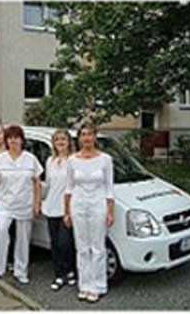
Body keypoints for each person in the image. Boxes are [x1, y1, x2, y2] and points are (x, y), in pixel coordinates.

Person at [0, 125, 43, 285]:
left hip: (25, 204)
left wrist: (37, 203)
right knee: (0, 232)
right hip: (5, 204)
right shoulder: (0, 160)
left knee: (23, 239)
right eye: (10, 138)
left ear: (22, 140)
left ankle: (20, 271)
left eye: (16, 138)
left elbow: (37, 182)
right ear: (6, 140)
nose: (13, 141)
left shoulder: (31, 159)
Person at [64, 121, 115, 303]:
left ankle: (98, 285)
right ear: (79, 138)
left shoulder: (105, 160)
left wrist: (110, 212)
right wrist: (67, 212)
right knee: (82, 247)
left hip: (98, 205)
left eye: (89, 134)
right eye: (83, 134)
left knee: (98, 247)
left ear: (95, 137)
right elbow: (68, 188)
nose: (86, 138)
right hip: (78, 206)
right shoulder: (72, 160)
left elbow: (109, 188)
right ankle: (84, 285)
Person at [42, 129, 76, 291]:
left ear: (69, 141)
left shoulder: (74, 160)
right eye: (57, 140)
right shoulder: (50, 161)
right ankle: (59, 274)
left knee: (65, 243)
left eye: (63, 139)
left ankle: (69, 271)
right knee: (55, 243)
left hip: (67, 208)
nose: (60, 142)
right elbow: (48, 184)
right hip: (51, 207)